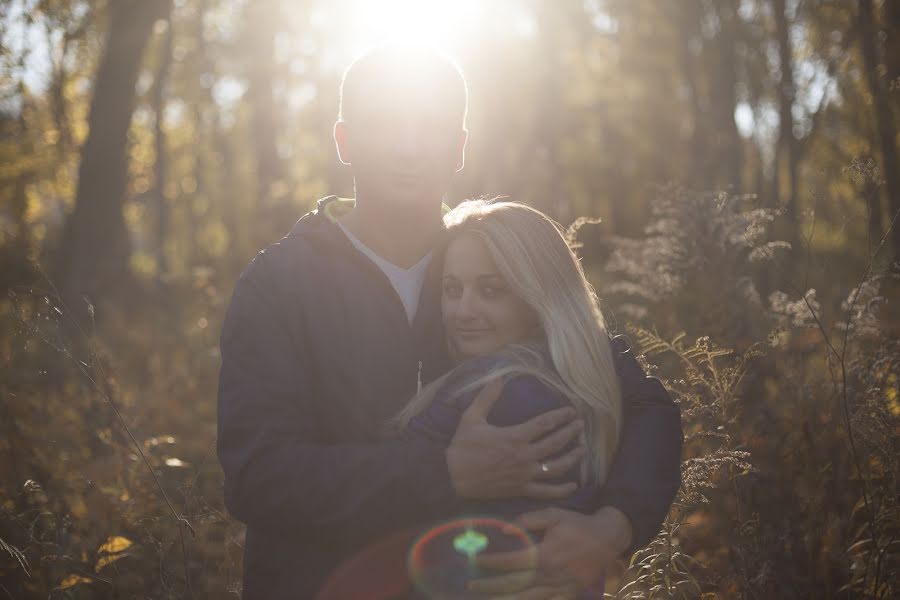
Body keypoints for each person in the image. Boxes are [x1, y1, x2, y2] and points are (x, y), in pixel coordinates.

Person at [217, 45, 683, 599]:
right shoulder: (280, 283)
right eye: (385, 123)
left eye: (431, 127)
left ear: (459, 148)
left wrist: (611, 528)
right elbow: (260, 477)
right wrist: (444, 474)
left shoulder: (491, 260)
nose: (408, 147)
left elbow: (646, 406)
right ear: (344, 142)